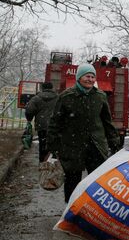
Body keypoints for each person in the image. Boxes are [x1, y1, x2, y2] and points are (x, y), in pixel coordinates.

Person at [47, 64, 122, 203]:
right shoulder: (66, 96)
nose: (90, 79)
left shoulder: (100, 96)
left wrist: (114, 143)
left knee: (96, 180)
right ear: (79, 77)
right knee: (72, 180)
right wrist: (52, 146)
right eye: (87, 76)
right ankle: (71, 209)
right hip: (72, 146)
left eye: (93, 77)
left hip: (95, 146)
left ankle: (92, 209)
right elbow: (55, 122)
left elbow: (107, 122)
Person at [25, 82, 58, 162]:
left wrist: (29, 119)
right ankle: (53, 165)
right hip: (55, 127)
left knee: (42, 146)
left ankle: (42, 163)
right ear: (52, 88)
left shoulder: (36, 98)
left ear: (42, 88)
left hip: (42, 126)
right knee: (54, 146)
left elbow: (29, 111)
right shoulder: (58, 98)